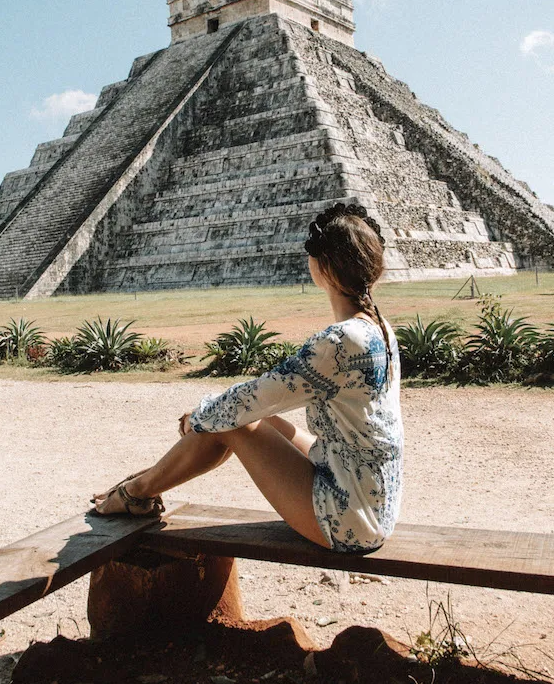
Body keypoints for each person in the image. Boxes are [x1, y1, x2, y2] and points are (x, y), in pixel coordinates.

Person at [92, 203, 403, 553]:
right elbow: (261, 401)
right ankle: (146, 482)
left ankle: (135, 492)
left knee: (231, 421)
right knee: (245, 416)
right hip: (372, 501)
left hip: (348, 519)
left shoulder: (341, 342)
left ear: (324, 267)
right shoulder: (379, 328)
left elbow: (249, 399)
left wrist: (197, 417)